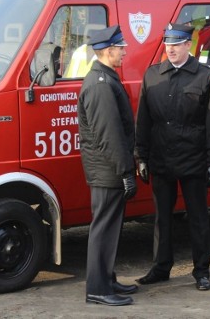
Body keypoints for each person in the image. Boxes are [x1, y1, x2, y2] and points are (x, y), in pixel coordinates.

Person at [135, 22, 210, 291]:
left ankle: (202, 271)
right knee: (162, 219)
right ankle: (161, 268)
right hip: (162, 159)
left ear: (189, 44)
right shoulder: (152, 75)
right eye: (168, 43)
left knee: (198, 218)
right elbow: (144, 120)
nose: (171, 48)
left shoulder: (206, 76)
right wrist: (141, 155)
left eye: (176, 43)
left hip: (194, 159)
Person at [78, 25, 139, 307]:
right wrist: (125, 170)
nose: (125, 51)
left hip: (107, 168)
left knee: (110, 227)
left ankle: (107, 278)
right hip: (107, 170)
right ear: (108, 50)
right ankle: (98, 289)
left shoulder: (104, 78)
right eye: (121, 48)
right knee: (103, 229)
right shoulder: (100, 84)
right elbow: (109, 133)